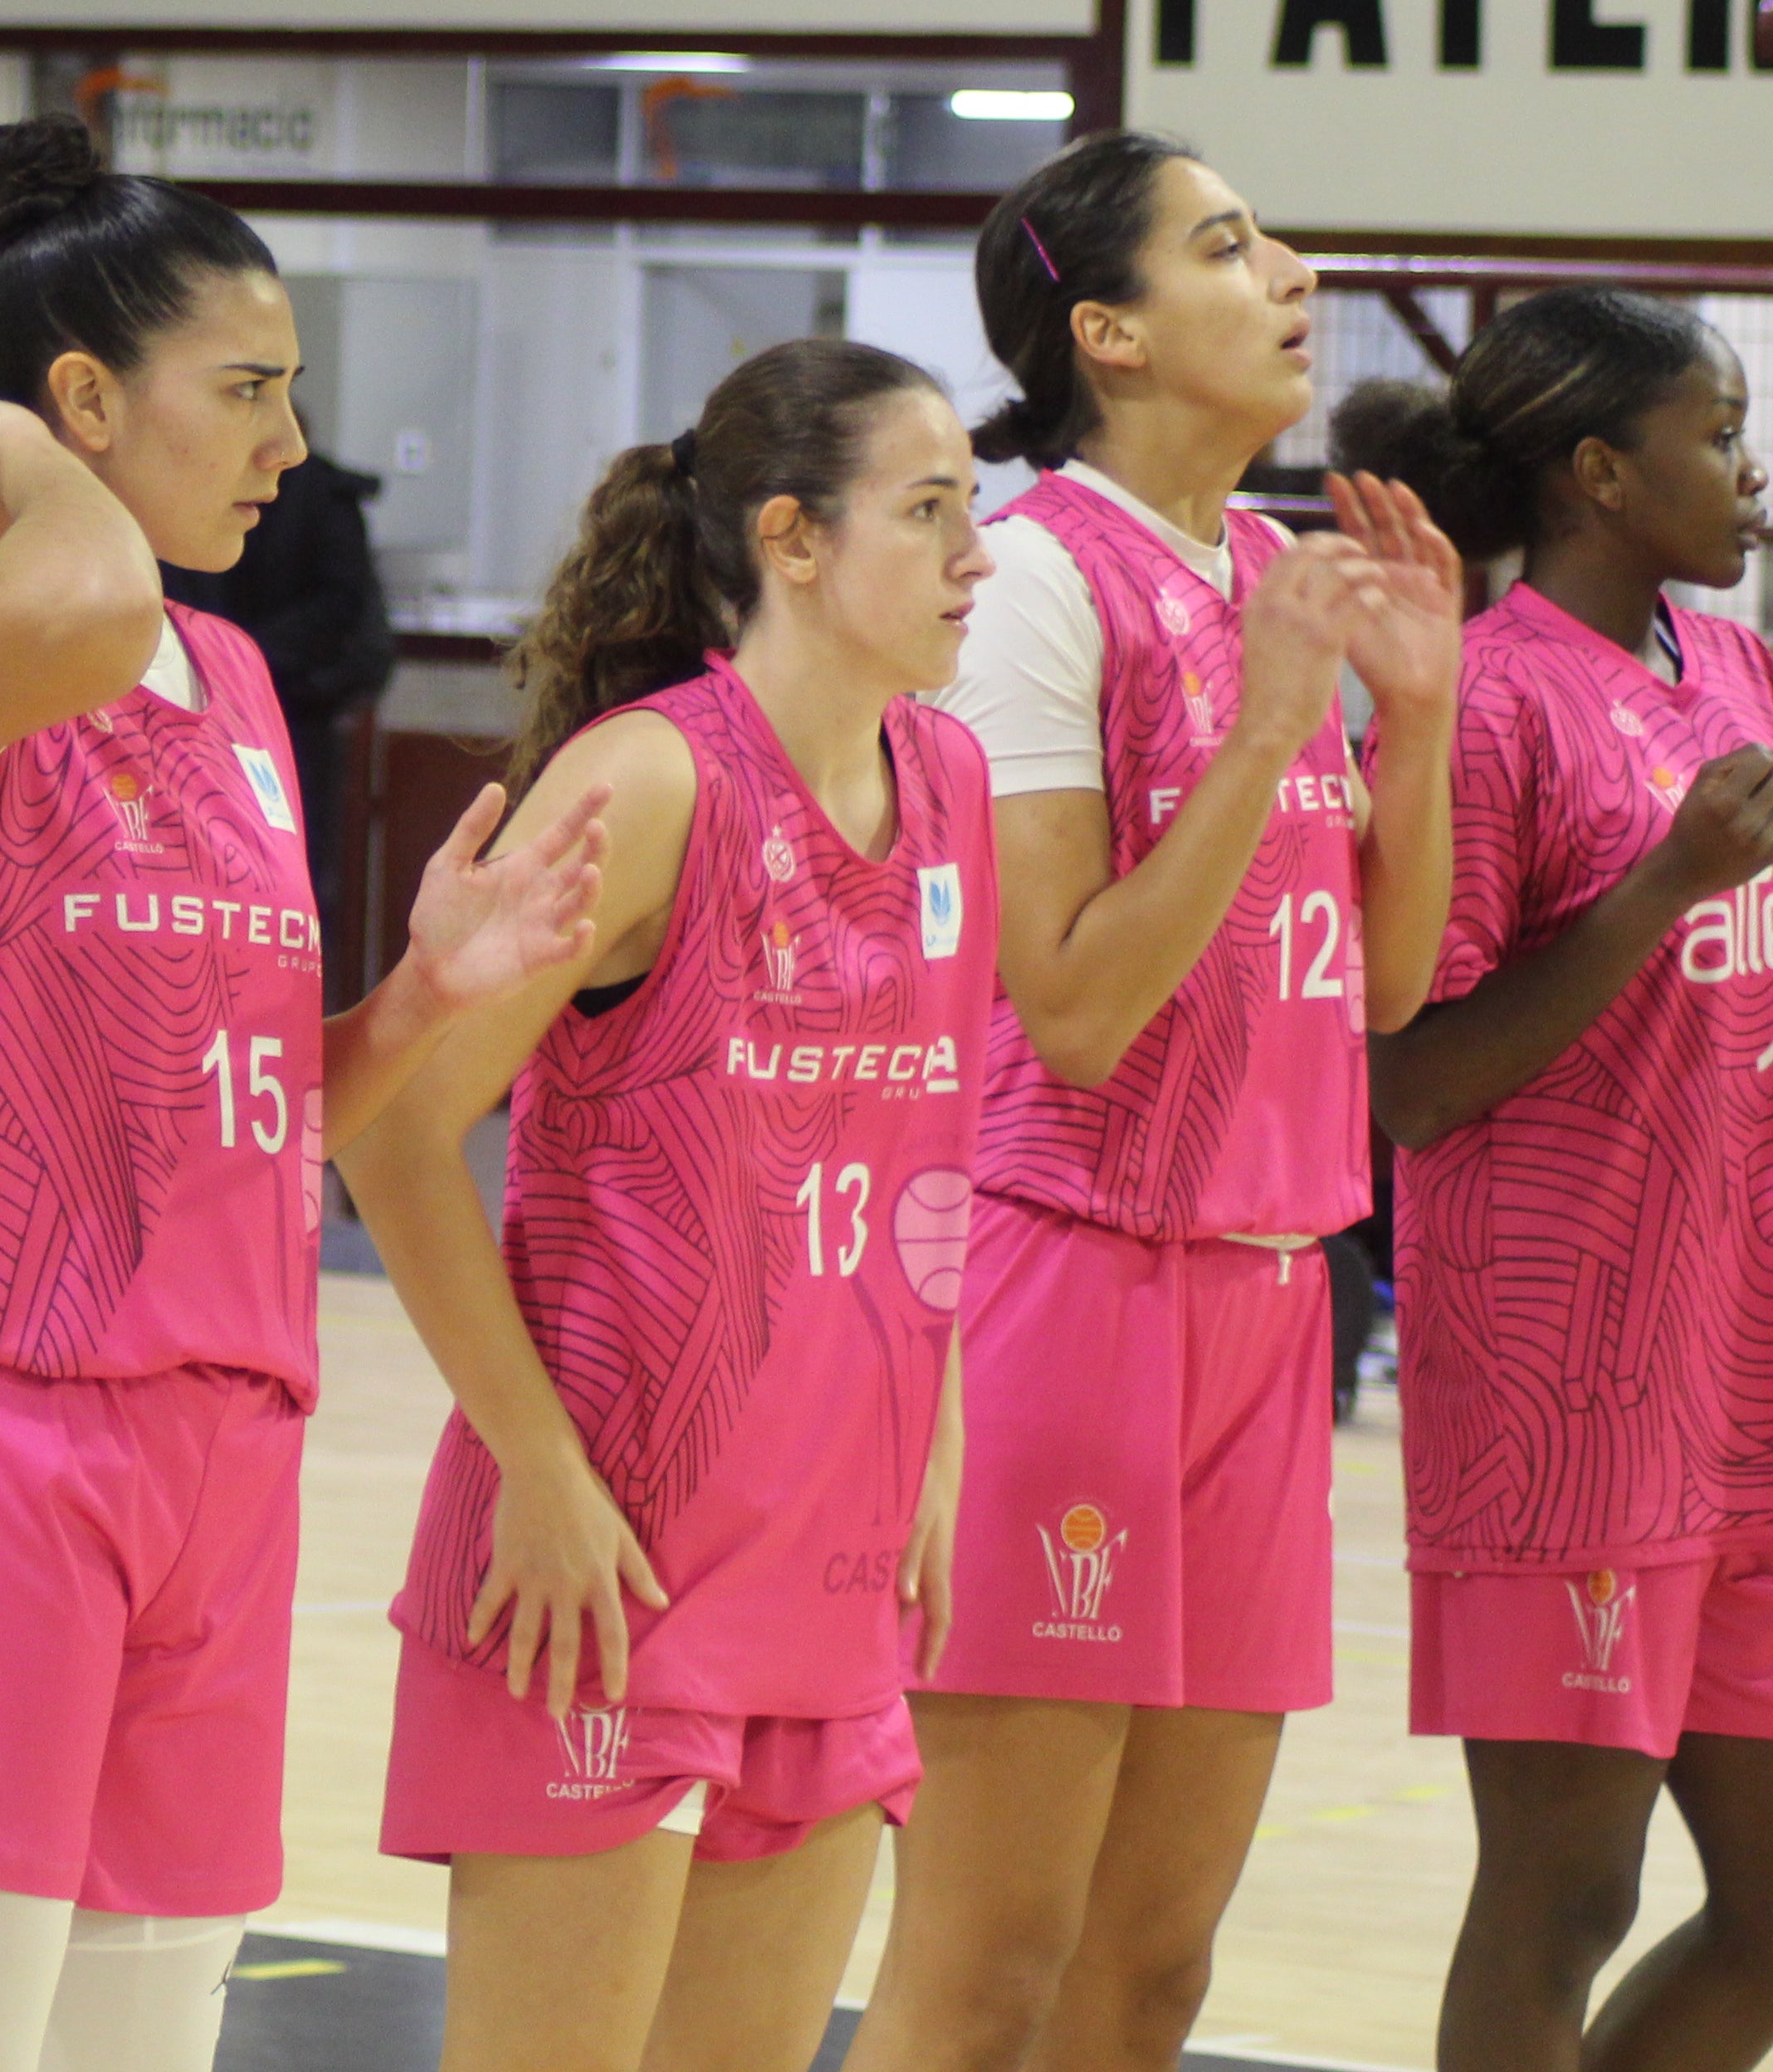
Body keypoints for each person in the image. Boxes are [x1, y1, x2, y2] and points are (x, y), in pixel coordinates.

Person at [0, 113, 608, 2072]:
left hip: (216, 1444)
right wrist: (38, 481)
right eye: (243, 388)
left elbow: (258, 1109)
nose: (284, 444)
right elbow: (64, 612)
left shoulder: (226, 682)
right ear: (77, 402)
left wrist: (424, 992)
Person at [846, 132, 1462, 2072]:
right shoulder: (1028, 579)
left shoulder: (1272, 570)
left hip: (1274, 1298)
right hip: (1068, 1284)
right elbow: (1077, 1000)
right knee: (986, 1963)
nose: (1289, 268)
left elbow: (1370, 984)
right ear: (1103, 330)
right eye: (1228, 242)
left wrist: (1419, 718)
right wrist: (1277, 721)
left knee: (1151, 1974)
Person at [343, 340, 995, 2070]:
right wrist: (537, 1474)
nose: (974, 557)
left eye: (973, 511)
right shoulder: (650, 782)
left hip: (835, 1554)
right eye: (928, 513)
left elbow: (933, 1149)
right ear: (791, 536)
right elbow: (396, 1132)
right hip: (605, 1559)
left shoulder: (957, 786)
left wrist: (935, 1449)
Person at [1330, 291, 1773, 2072]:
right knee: (1565, 1897)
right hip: (1564, 1392)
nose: (1751, 473)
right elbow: (1412, 1082)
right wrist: (1657, 891)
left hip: (1739, 1371)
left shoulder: (1734, 671)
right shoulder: (1480, 700)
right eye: (1720, 435)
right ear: (1600, 470)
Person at [161, 449, 396, 934]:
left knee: (280, 883)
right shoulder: (177, 494)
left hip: (283, 717)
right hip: (238, 711)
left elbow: (345, 605)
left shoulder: (316, 494)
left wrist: (236, 658)